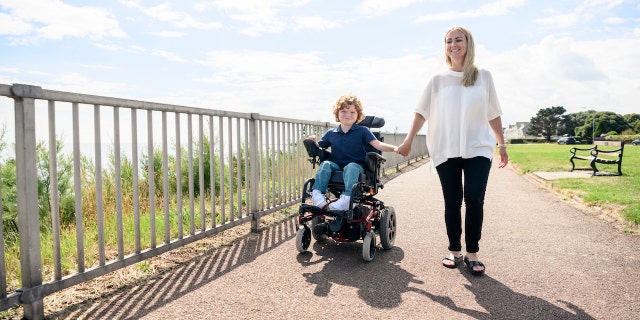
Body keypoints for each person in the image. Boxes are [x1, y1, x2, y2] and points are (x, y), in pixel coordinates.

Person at [396, 26, 508, 276]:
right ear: (445, 46)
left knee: (475, 199)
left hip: (477, 147)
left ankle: (473, 253)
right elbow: (421, 112)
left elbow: (493, 113)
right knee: (452, 201)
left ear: (468, 44)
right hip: (446, 148)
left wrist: (502, 144)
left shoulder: (484, 76)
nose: (453, 44)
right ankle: (455, 251)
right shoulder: (437, 80)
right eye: (448, 41)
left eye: (458, 40)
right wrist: (408, 141)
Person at [310, 94, 398, 211]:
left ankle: (347, 198)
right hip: (337, 166)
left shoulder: (362, 131)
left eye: (352, 112)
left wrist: (395, 148)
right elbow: (319, 147)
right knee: (325, 164)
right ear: (338, 113)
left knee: (351, 167)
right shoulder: (331, 133)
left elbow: (378, 145)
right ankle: (317, 195)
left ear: (358, 115)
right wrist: (313, 142)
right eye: (344, 111)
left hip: (357, 167)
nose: (348, 115)